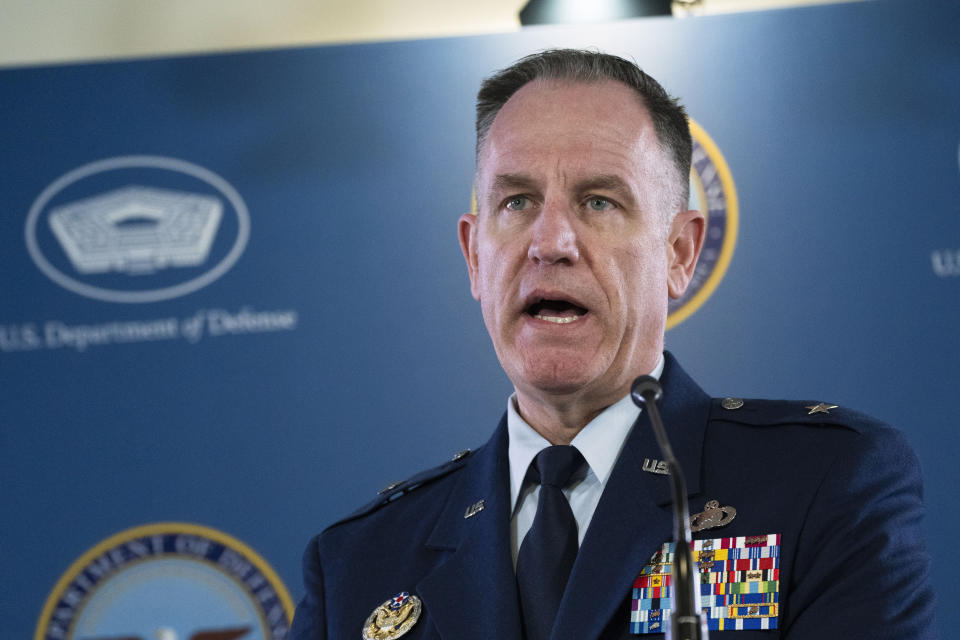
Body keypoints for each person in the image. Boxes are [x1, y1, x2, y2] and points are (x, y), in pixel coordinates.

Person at [289, 50, 936, 639]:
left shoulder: (821, 485)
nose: (550, 242)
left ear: (680, 253)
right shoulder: (359, 564)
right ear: (474, 258)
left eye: (598, 202)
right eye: (516, 202)